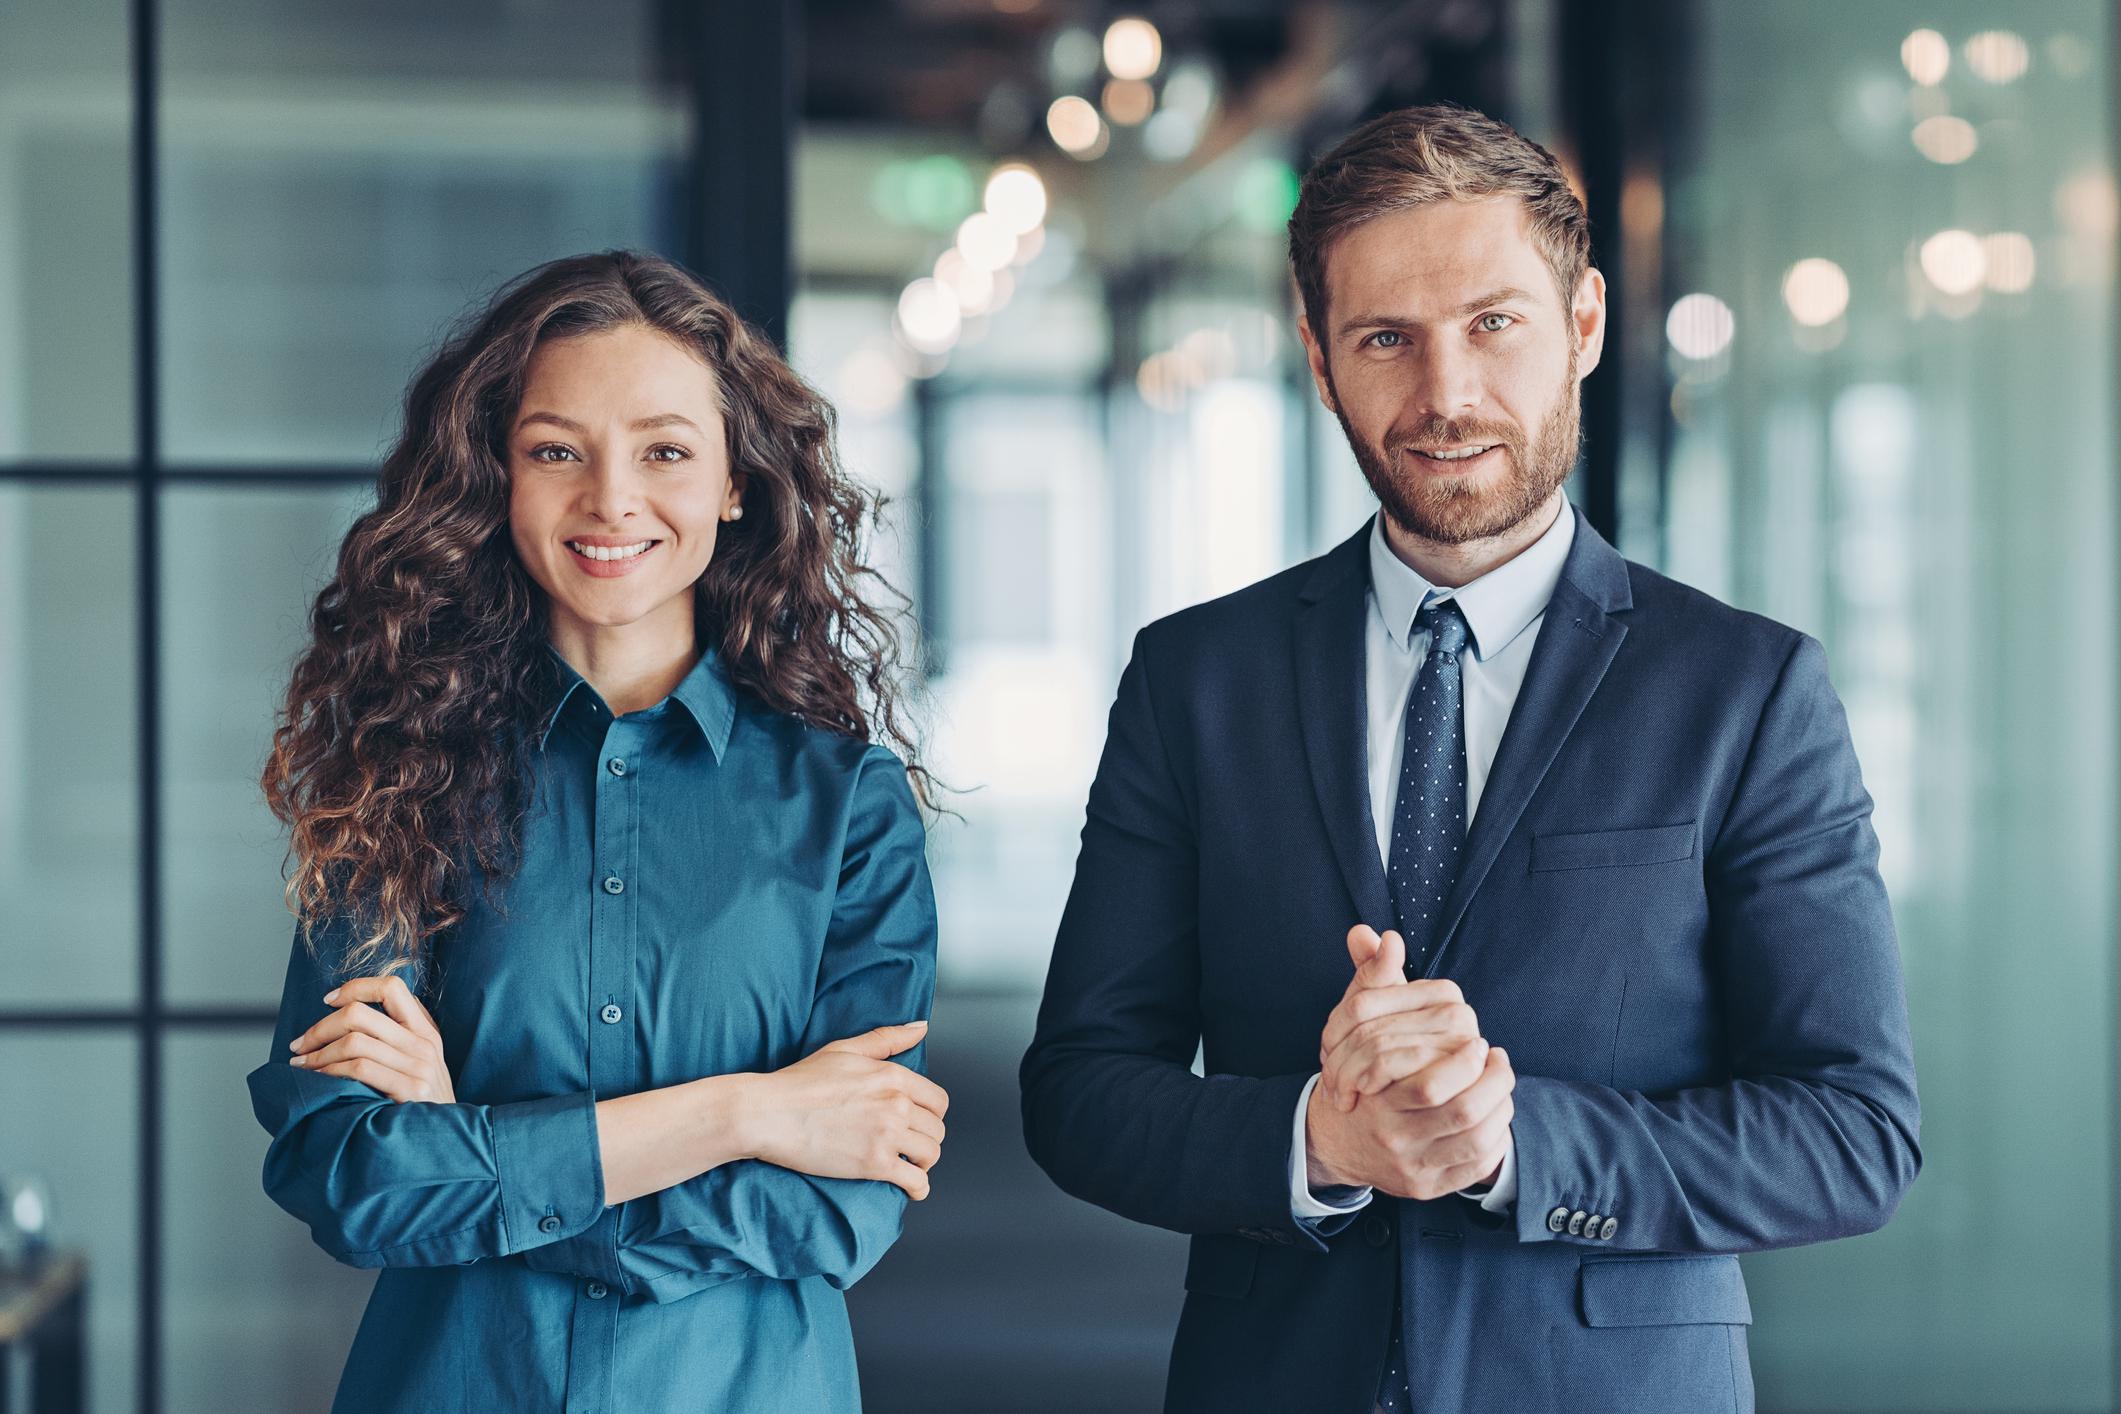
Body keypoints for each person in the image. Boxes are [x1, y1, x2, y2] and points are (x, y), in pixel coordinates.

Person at [1020, 103, 1919, 1413]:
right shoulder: (1193, 677)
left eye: (1494, 324)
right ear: (1320, 361)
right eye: (1387, 339)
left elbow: (1854, 1132)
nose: (1445, 395)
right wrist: (1315, 1141)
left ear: (1584, 326)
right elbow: (1081, 1090)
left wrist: (1511, 1140)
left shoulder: (1745, 689)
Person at [248, 250, 946, 1413]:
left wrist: (472, 1146)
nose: (612, 499)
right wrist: (745, 1112)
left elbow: (840, 1205)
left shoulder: (848, 810)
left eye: (665, 451)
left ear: (735, 483)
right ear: (496, 479)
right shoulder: (392, 779)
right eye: (555, 451)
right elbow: (353, 1176)